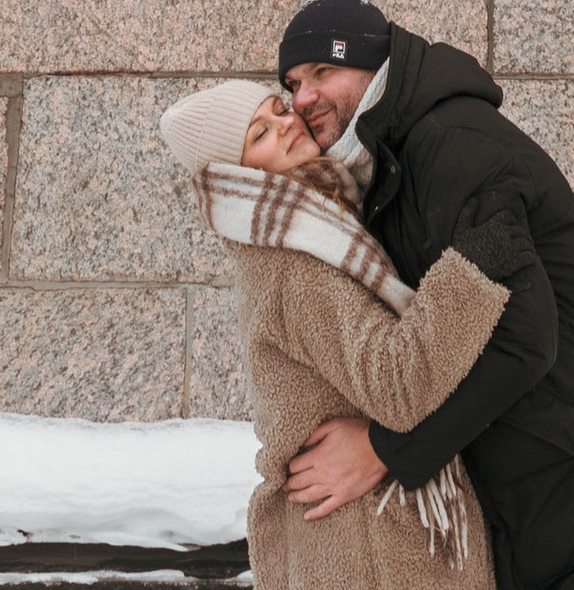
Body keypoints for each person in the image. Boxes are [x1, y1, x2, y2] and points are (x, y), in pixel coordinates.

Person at [273, 0, 574, 590]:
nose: (303, 98)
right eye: (293, 82)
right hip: (538, 503)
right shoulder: (388, 172)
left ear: (372, 63)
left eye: (322, 72)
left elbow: (522, 335)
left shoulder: (452, 145)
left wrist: (384, 451)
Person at [159, 75, 532, 590]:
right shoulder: (295, 264)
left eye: (277, 110)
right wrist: (474, 269)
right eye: (259, 134)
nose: (286, 125)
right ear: (238, 174)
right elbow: (397, 385)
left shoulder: (316, 229)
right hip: (368, 548)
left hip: (360, 533)